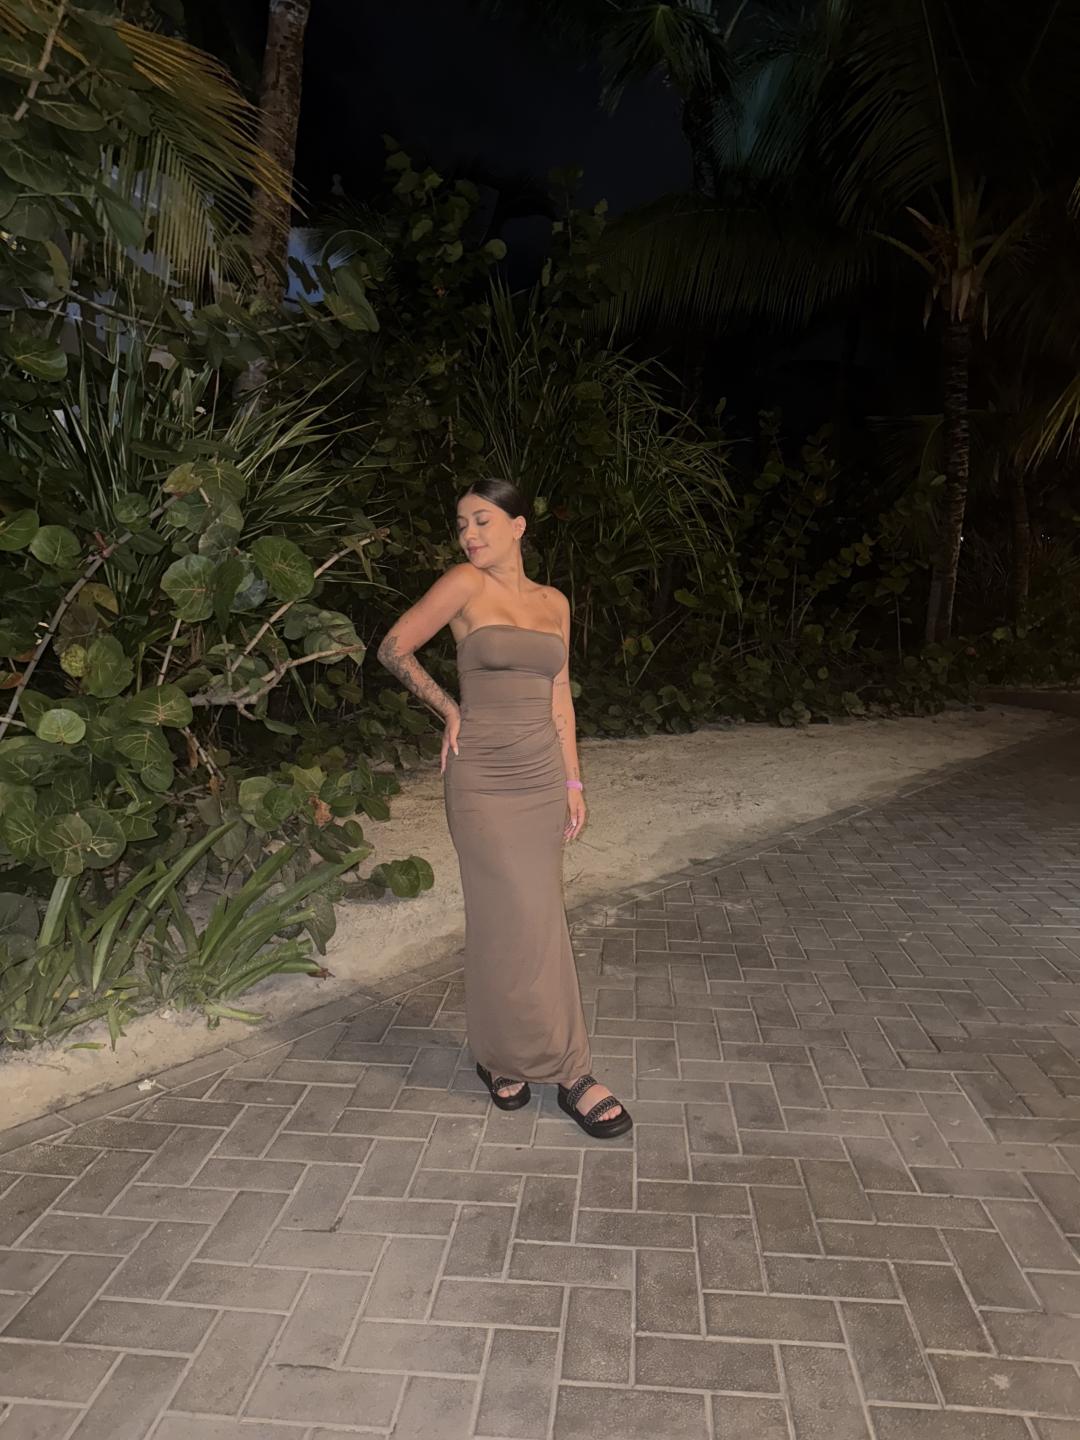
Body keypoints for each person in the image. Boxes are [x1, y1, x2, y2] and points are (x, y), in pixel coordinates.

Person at [376, 478, 633, 1139]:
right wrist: (448, 707)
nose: (469, 534)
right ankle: (572, 1071)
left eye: (482, 520)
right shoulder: (464, 584)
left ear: (519, 526)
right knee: (515, 916)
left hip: (541, 777)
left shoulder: (554, 602)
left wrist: (573, 782)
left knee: (526, 919)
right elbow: (393, 647)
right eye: (462, 523)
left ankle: (502, 1057)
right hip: (483, 779)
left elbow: (560, 695)